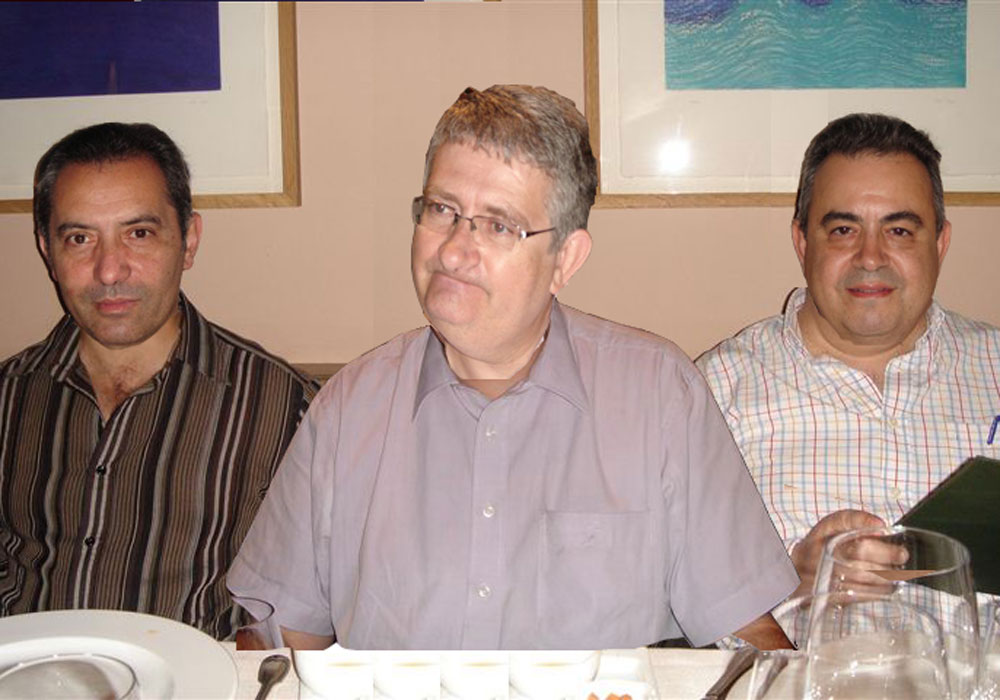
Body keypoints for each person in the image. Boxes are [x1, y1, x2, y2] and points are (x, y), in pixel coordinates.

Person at [228, 85, 798, 650]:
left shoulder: (659, 396)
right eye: (442, 210)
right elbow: (280, 644)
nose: (453, 250)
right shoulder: (348, 409)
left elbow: (746, 635)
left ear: (565, 259)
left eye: (499, 225)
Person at [0, 123, 318, 639]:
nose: (109, 271)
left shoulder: (284, 408)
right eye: (79, 239)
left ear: (188, 240)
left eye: (139, 234)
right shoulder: (8, 397)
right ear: (47, 251)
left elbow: (314, 601)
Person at [697, 113, 1000, 598]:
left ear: (940, 243)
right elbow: (674, 597)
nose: (870, 257)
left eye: (899, 231)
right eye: (843, 230)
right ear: (802, 243)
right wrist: (791, 584)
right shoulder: (713, 396)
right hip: (801, 650)